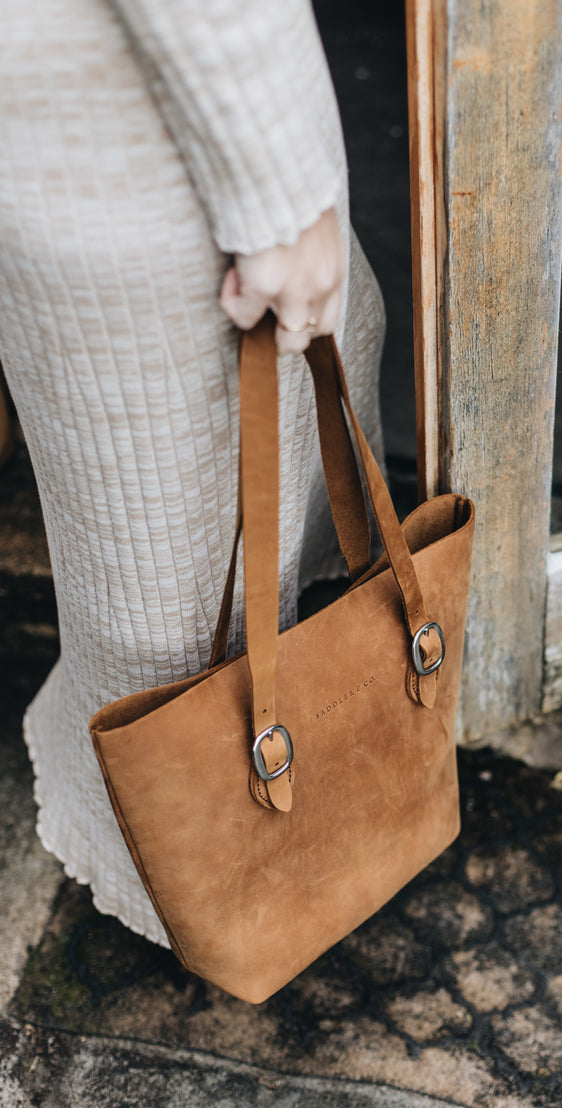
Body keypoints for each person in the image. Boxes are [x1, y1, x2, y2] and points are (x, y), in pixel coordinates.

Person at [0, 0, 385, 946]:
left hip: (64, 156)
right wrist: (286, 202)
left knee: (196, 547)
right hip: (143, 167)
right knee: (173, 575)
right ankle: (212, 887)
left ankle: (253, 829)